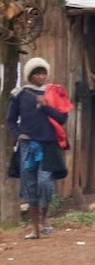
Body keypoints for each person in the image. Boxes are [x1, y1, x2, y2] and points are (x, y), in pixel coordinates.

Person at [8, 57, 67, 240]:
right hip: (27, 146)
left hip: (48, 145)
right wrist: (18, 135)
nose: (41, 77)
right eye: (36, 74)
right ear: (30, 76)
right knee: (29, 186)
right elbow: (10, 119)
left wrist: (45, 106)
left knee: (44, 183)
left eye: (43, 73)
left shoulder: (53, 93)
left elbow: (62, 119)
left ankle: (45, 218)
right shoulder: (20, 95)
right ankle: (35, 229)